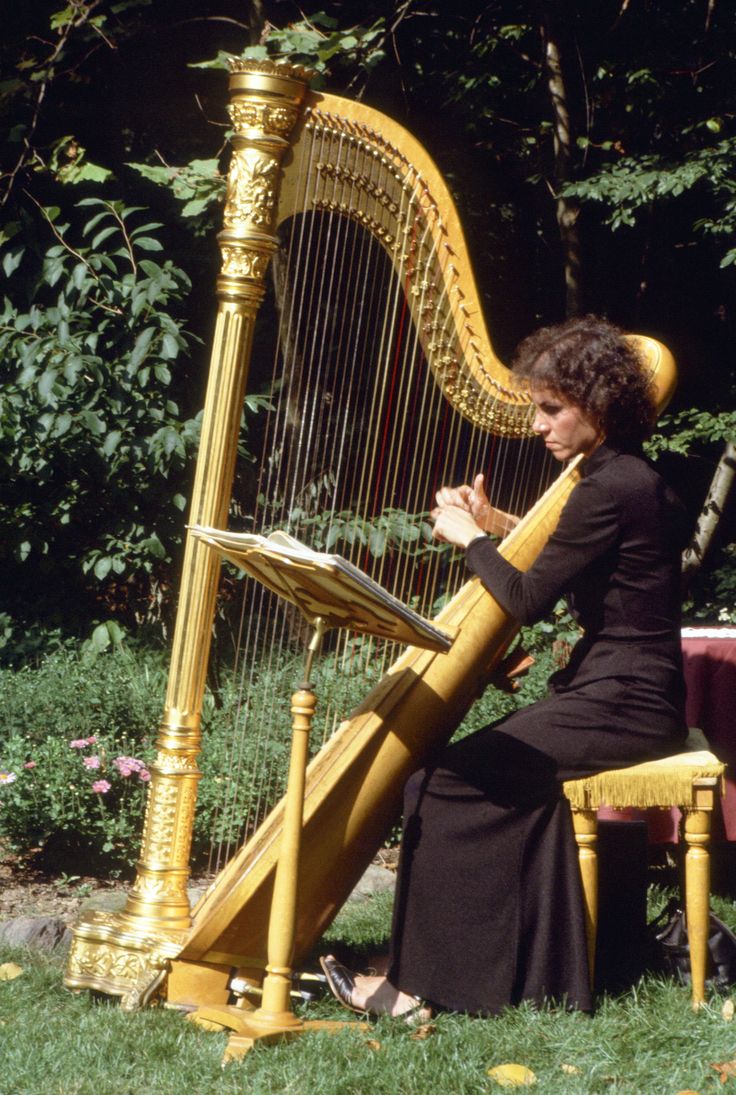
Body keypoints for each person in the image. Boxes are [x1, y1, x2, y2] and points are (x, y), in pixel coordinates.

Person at [321, 315, 689, 1020]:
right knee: (451, 777)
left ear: (600, 405)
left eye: (553, 409)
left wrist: (465, 538)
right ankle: (498, 965)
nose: (539, 425)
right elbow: (582, 555)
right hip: (626, 690)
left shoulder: (608, 487)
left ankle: (415, 986)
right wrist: (495, 525)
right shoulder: (627, 475)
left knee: (447, 781)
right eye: (536, 408)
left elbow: (524, 596)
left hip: (625, 700)